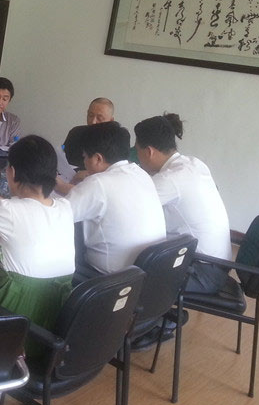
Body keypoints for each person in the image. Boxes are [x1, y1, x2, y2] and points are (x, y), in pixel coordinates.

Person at [0, 135, 75, 333]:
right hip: (51, 328)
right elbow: (27, 212)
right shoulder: (65, 207)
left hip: (8, 327)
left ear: (12, 172)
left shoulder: (7, 211)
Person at [135, 113, 232, 294]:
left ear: (149, 152)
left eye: (137, 151)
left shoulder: (170, 179)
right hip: (218, 264)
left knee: (130, 276)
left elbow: (129, 205)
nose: (137, 158)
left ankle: (153, 312)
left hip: (202, 272)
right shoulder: (194, 164)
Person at [62, 121, 166, 281]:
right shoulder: (140, 173)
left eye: (84, 157)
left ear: (97, 158)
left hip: (109, 280)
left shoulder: (98, 183)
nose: (84, 163)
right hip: (148, 276)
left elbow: (57, 217)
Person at [57, 97, 117, 192]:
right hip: (68, 180)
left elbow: (118, 171)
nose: (93, 121)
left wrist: (89, 173)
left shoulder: (117, 141)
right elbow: (62, 155)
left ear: (111, 121)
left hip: (98, 186)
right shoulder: (76, 132)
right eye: (90, 115)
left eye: (99, 118)